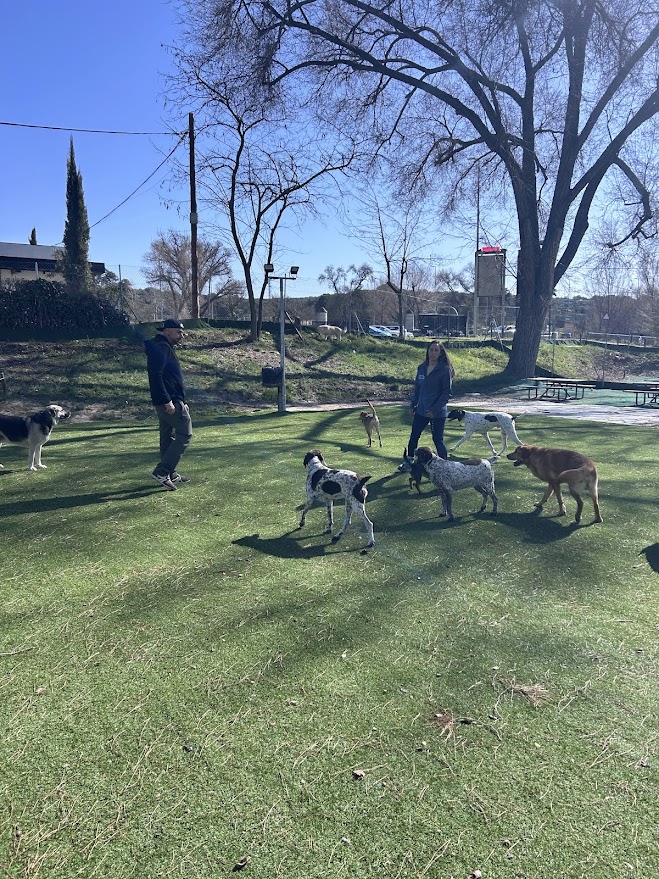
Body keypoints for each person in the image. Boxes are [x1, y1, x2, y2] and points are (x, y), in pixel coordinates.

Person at [145, 319, 192, 490]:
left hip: (171, 399)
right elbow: (156, 376)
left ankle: (170, 473)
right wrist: (167, 401)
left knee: (168, 436)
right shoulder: (162, 348)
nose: (182, 335)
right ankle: (162, 471)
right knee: (185, 434)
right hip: (168, 401)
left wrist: (182, 400)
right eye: (179, 332)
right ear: (167, 332)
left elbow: (171, 377)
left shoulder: (163, 347)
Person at [398, 340, 455, 471]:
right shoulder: (421, 368)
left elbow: (447, 393)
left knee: (438, 440)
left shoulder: (444, 370)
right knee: (414, 437)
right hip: (421, 411)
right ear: (427, 351)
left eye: (436, 350)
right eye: (431, 350)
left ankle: (446, 466)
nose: (433, 353)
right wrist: (413, 405)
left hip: (437, 412)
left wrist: (435, 410)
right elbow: (418, 389)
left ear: (441, 353)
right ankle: (409, 462)